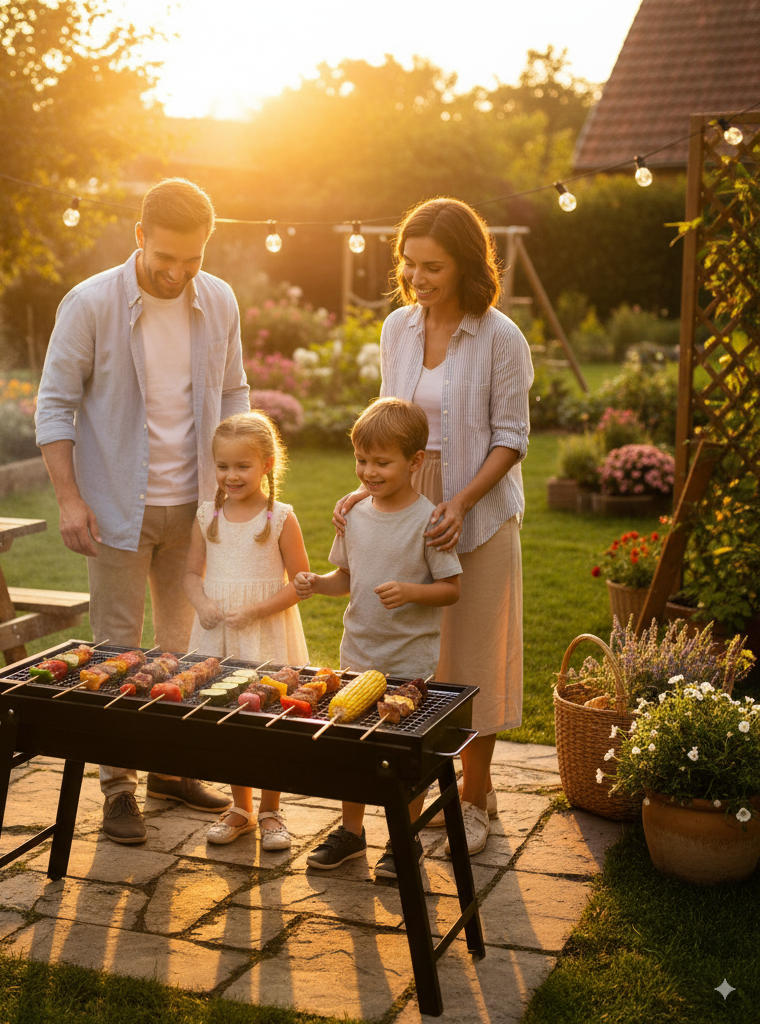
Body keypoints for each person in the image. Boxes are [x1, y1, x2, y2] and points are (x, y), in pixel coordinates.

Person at [35, 177, 248, 844]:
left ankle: (170, 769)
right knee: (117, 652)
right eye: (167, 259)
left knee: (184, 650)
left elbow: (236, 390)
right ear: (139, 238)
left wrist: (242, 480)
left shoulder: (217, 301)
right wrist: (70, 498)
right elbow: (54, 405)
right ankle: (118, 789)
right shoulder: (90, 303)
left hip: (194, 510)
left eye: (194, 260)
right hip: (115, 510)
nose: (180, 273)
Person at [334, 197, 534, 857]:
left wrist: (463, 501)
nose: (418, 278)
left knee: (474, 660)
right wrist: (371, 488)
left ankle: (475, 801)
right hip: (408, 512)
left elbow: (512, 437)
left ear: (467, 264)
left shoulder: (500, 335)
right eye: (410, 264)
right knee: (414, 657)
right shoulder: (398, 328)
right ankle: (409, 792)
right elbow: (391, 422)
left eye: (433, 266)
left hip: (477, 513)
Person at [294, 397, 461, 875]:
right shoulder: (354, 515)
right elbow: (345, 577)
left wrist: (411, 591)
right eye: (361, 460)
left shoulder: (429, 521)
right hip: (357, 653)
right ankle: (351, 832)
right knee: (353, 751)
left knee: (401, 755)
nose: (368, 472)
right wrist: (316, 584)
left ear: (415, 462)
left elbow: (451, 590)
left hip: (410, 662)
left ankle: (403, 840)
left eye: (381, 462)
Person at [183, 411, 310, 851]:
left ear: (267, 465)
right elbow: (189, 574)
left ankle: (272, 809)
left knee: (268, 719)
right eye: (223, 466)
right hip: (219, 635)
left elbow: (300, 583)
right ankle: (242, 808)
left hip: (266, 633)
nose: (231, 475)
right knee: (228, 719)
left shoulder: (279, 518)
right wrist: (201, 604)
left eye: (242, 466)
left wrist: (256, 609)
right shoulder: (206, 515)